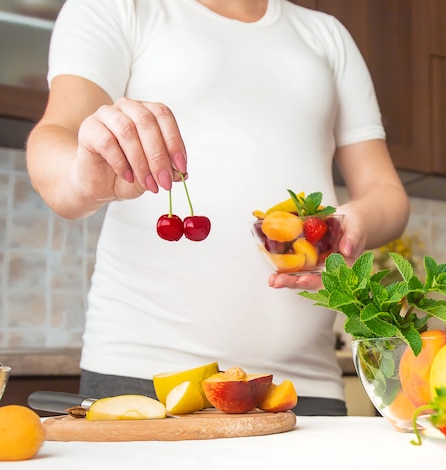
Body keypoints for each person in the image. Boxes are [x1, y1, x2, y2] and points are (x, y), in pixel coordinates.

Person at [26, 0, 409, 415]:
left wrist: (352, 227)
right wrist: (84, 180)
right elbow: (55, 137)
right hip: (147, 377)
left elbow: (385, 191)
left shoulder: (326, 34)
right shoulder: (119, 6)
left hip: (302, 386)